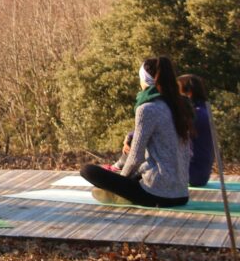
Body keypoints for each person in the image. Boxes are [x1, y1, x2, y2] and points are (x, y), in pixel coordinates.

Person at [80, 57, 192, 207]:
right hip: (182, 194)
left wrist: (119, 185)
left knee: (87, 170)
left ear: (144, 80)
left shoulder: (147, 109)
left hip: (156, 194)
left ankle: (117, 196)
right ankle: (124, 194)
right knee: (137, 174)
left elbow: (135, 156)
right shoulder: (179, 105)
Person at [178, 73, 214, 187]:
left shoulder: (195, 114)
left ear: (189, 93)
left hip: (193, 174)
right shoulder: (203, 110)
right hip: (200, 173)